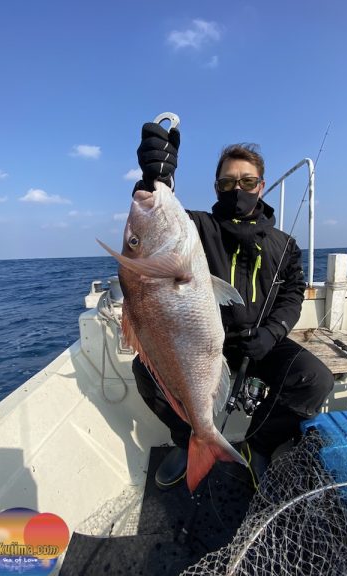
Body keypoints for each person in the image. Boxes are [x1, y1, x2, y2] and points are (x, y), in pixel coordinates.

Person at [132, 122, 334, 490]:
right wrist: (154, 176)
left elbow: (293, 292)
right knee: (144, 370)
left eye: (246, 182)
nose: (236, 189)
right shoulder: (196, 226)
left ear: (260, 185)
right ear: (215, 187)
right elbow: (155, 225)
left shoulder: (284, 244)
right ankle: (188, 439)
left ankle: (259, 443)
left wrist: (271, 334)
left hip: (262, 342)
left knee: (315, 379)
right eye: (227, 183)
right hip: (205, 343)